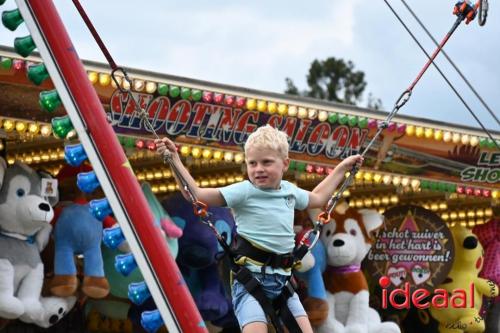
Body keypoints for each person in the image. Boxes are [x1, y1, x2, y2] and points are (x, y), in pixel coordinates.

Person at [155, 125, 363, 333]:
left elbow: (319, 197)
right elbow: (197, 195)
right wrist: (175, 161)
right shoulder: (244, 191)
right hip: (250, 282)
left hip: (283, 283)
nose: (258, 169)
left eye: (266, 162)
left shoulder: (290, 191)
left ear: (285, 164)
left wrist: (342, 169)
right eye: (252, 163)